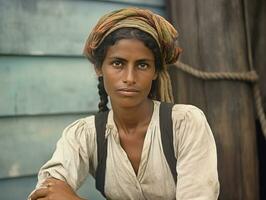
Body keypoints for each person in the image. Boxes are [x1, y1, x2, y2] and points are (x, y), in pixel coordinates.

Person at [29, 7, 219, 200]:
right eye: (118, 63)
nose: (129, 78)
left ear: (155, 72)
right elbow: (45, 192)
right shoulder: (85, 135)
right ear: (99, 68)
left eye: (142, 65)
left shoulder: (185, 124)